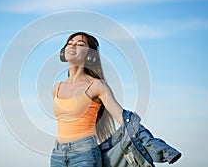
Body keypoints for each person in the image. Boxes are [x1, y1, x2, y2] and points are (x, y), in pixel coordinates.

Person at [50, 32, 181, 167]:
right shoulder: (57, 88)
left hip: (84, 154)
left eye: (80, 44)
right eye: (70, 43)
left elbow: (124, 119)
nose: (73, 46)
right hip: (57, 154)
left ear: (90, 55)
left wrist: (153, 144)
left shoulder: (96, 86)